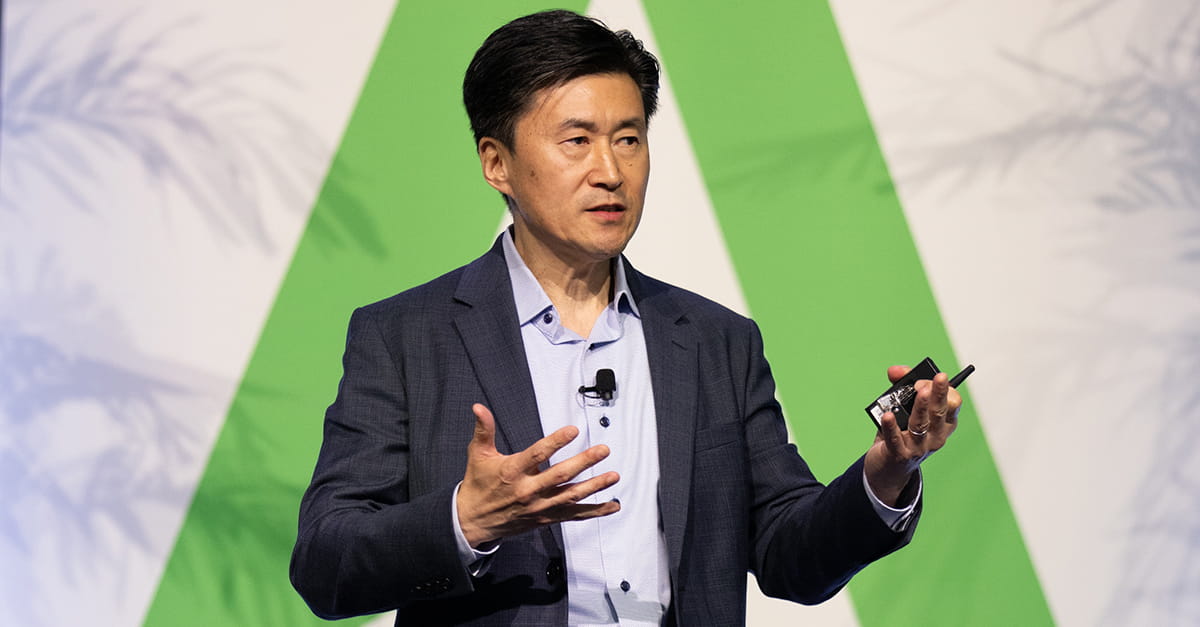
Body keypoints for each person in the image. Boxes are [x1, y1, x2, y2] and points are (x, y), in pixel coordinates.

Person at [290, 9, 960, 626]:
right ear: (497, 162)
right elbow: (325, 562)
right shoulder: (407, 335)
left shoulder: (716, 341)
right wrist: (467, 517)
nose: (610, 170)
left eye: (629, 138)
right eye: (576, 140)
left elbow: (791, 555)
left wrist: (885, 473)